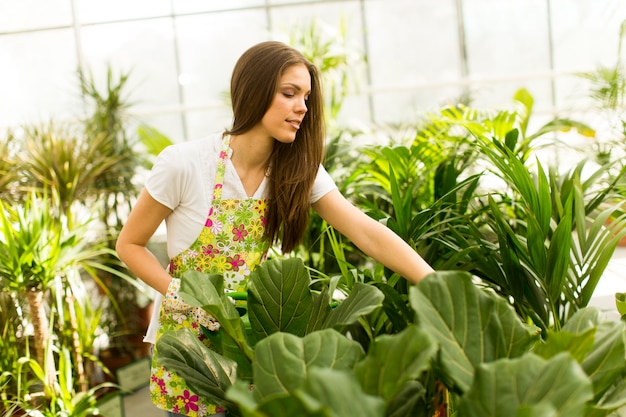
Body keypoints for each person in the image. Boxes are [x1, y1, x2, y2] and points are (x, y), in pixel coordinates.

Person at [115, 40, 434, 417]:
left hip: (254, 338)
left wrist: (434, 284)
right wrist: (184, 295)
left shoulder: (296, 170)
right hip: (190, 344)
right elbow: (129, 244)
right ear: (253, 91)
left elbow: (365, 231)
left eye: (306, 97)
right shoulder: (185, 164)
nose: (302, 107)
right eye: (290, 93)